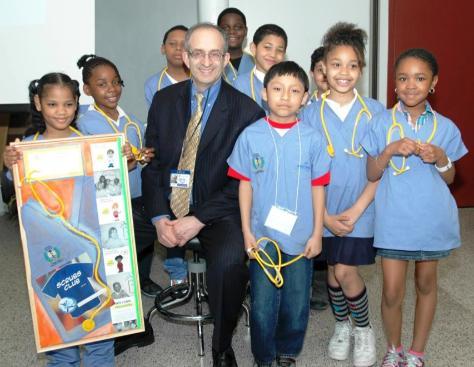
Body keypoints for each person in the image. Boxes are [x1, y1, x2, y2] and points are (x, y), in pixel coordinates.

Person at [142, 22, 265, 366]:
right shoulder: (164, 101)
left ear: (226, 58)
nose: (206, 61)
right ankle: (124, 326)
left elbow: (242, 182)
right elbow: (153, 165)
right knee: (108, 232)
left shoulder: (246, 111)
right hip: (165, 202)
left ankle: (222, 344)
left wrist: (197, 219)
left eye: (215, 53)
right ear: (185, 56)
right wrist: (158, 217)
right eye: (198, 53)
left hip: (217, 209)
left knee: (228, 265)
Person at [362, 48, 468, 367]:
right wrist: (391, 149)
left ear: (433, 82)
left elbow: (450, 178)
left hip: (431, 220)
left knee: (426, 284)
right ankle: (394, 349)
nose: (411, 85)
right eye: (403, 78)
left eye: (420, 78)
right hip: (394, 220)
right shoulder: (381, 123)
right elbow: (371, 173)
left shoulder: (446, 128)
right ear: (394, 83)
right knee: (392, 291)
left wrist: (441, 158)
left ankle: (417, 352)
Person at [3, 73, 115, 366]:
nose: (61, 111)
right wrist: (8, 165)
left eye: (68, 104)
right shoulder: (26, 148)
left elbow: (111, 187)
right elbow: (14, 189)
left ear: (77, 104)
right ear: (39, 103)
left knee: (100, 325)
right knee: (60, 329)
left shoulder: (93, 145)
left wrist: (119, 157)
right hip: (51, 258)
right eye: (53, 104)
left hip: (94, 251)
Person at [227, 61, 330, 367]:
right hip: (262, 236)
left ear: (305, 97)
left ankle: (287, 350)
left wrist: (317, 233)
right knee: (263, 304)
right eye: (277, 89)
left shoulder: (312, 139)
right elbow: (245, 186)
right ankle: (264, 355)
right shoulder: (250, 136)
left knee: (297, 302)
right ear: (264, 93)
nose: (285, 97)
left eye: (294, 90)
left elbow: (318, 188)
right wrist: (246, 231)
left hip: (301, 236)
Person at [301, 22, 385, 367]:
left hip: (361, 208)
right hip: (322, 211)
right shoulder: (308, 113)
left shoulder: (375, 112)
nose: (344, 72)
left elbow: (379, 170)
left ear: (361, 69)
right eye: (336, 64)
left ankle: (363, 330)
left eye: (353, 65)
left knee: (346, 271)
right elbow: (304, 170)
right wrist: (325, 218)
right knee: (333, 273)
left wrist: (358, 209)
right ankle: (342, 325)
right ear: (323, 69)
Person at [76, 55, 161, 299]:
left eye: (116, 82)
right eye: (102, 84)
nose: (112, 89)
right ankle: (118, 290)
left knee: (142, 241)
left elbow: (138, 155)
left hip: (137, 192)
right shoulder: (85, 124)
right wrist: (132, 162)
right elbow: (98, 166)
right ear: (87, 89)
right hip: (108, 199)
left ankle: (143, 277)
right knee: (118, 247)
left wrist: (143, 156)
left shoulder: (130, 120)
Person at [308, 45, 330, 311]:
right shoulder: (303, 106)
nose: (325, 76)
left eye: (330, 69)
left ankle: (328, 283)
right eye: (320, 70)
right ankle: (311, 285)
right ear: (312, 73)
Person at [233, 24, 287, 112]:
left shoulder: (290, 84)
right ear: (253, 48)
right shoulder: (240, 85)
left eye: (279, 50)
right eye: (267, 47)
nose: (273, 55)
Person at [144, 25, 189, 107]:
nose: (178, 48)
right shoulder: (152, 84)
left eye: (184, 44)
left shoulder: (202, 79)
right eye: (172, 44)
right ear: (163, 48)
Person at [217, 7, 254, 84]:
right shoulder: (210, 63)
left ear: (245, 31)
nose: (232, 32)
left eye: (238, 27)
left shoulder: (256, 63)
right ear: (218, 31)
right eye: (225, 28)